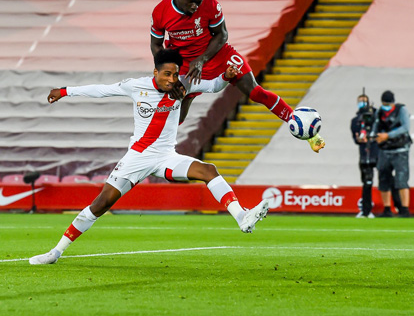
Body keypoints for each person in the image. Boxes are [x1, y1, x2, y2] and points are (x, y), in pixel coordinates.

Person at [29, 49, 270, 265]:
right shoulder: (136, 86)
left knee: (208, 170)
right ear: (155, 72)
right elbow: (102, 90)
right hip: (137, 157)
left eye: (175, 75)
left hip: (166, 156)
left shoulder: (184, 86)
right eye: (166, 74)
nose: (171, 80)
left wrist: (227, 76)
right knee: (100, 205)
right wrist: (64, 91)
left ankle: (241, 217)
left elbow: (213, 86)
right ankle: (56, 252)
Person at [149, 0, 325, 153]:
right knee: (180, 101)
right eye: (190, 2)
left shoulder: (210, 5)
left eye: (198, 2)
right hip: (184, 62)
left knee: (256, 92)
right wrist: (167, 72)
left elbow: (222, 34)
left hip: (217, 54)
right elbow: (156, 45)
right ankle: (157, 147)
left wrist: (202, 59)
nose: (195, 6)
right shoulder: (161, 11)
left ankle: (306, 131)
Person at [370, 90, 412, 218]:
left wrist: (388, 135)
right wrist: (373, 136)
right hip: (384, 150)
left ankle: (404, 209)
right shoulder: (379, 112)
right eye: (384, 103)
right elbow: (375, 127)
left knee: (401, 179)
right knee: (383, 179)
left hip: (400, 150)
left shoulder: (402, 110)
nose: (386, 105)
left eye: (388, 103)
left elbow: (406, 127)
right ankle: (387, 208)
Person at [351, 93, 379, 218]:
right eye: (360, 101)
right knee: (367, 181)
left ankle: (392, 208)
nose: (362, 104)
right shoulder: (355, 121)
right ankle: (366, 210)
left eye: (364, 101)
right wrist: (359, 139)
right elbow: (355, 138)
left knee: (386, 179)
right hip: (364, 154)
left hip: (377, 152)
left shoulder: (377, 118)